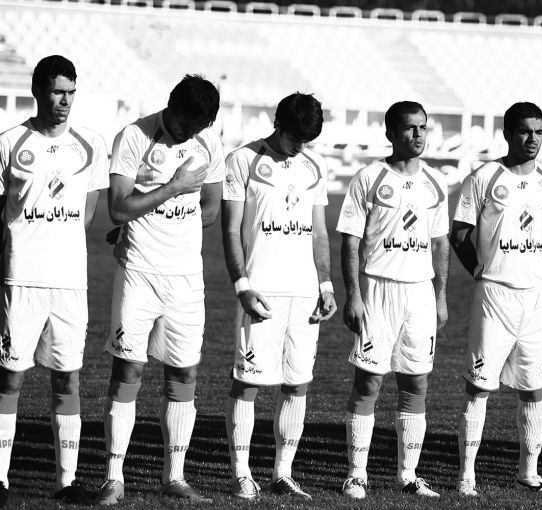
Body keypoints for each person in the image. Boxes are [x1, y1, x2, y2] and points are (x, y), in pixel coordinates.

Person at [96, 75, 224, 505]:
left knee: (184, 374)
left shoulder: (209, 142)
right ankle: (113, 478)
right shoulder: (134, 136)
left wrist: (161, 213)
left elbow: (210, 208)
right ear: (171, 106)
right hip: (139, 270)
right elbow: (118, 208)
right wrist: (172, 189)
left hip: (186, 277)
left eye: (200, 127)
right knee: (128, 371)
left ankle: (175, 477)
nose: (191, 133)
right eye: (187, 124)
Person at [0, 55, 108, 507]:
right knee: (10, 379)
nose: (65, 101)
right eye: (58, 92)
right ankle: (0, 481)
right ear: (38, 92)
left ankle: (66, 481)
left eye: (71, 92)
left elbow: (86, 216)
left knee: (68, 380)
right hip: (20, 279)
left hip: (69, 284)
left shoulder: (90, 145)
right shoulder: (9, 143)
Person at [221, 92, 336, 501]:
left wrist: (325, 285)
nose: (299, 147)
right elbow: (231, 229)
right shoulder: (242, 160)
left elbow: (319, 231)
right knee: (247, 383)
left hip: (304, 295)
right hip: (261, 292)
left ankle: (282, 473)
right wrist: (242, 286)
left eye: (306, 141)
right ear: (278, 124)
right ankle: (241, 473)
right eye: (294, 138)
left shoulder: (315, 165)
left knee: (297, 384)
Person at [450, 102, 542, 498]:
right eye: (525, 132)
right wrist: (481, 269)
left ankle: (528, 475)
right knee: (478, 386)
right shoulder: (484, 176)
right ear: (508, 134)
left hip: (536, 297)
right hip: (494, 296)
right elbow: (460, 233)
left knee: (534, 388)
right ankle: (466, 476)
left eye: (539, 132)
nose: (532, 139)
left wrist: (529, 262)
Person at [337, 101, 449, 499]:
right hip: (378, 289)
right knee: (368, 381)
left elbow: (440, 244)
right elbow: (350, 241)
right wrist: (353, 295)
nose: (417, 134)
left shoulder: (436, 182)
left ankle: (408, 475)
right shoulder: (369, 177)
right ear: (390, 133)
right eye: (409, 128)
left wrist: (440, 296)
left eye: (422, 127)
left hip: (420, 292)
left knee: (416, 383)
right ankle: (356, 474)